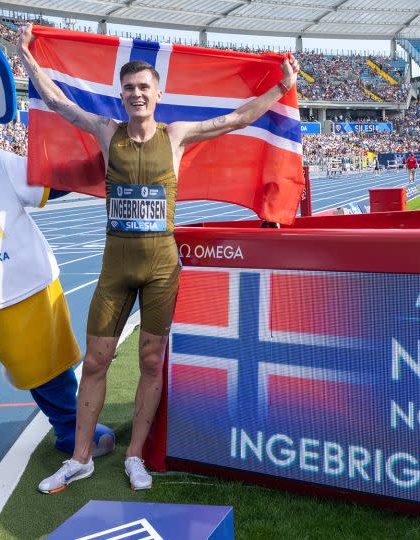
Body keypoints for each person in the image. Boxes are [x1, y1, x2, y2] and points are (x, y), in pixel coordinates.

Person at [17, 24, 300, 493]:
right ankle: (80, 458)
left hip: (161, 267)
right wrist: (28, 59)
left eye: (143, 87)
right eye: (128, 88)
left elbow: (234, 119)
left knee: (151, 360)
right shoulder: (107, 131)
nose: (136, 94)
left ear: (158, 92)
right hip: (117, 266)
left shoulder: (178, 134)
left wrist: (281, 87)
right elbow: (60, 103)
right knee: (95, 360)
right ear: (121, 95)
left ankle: (134, 456)